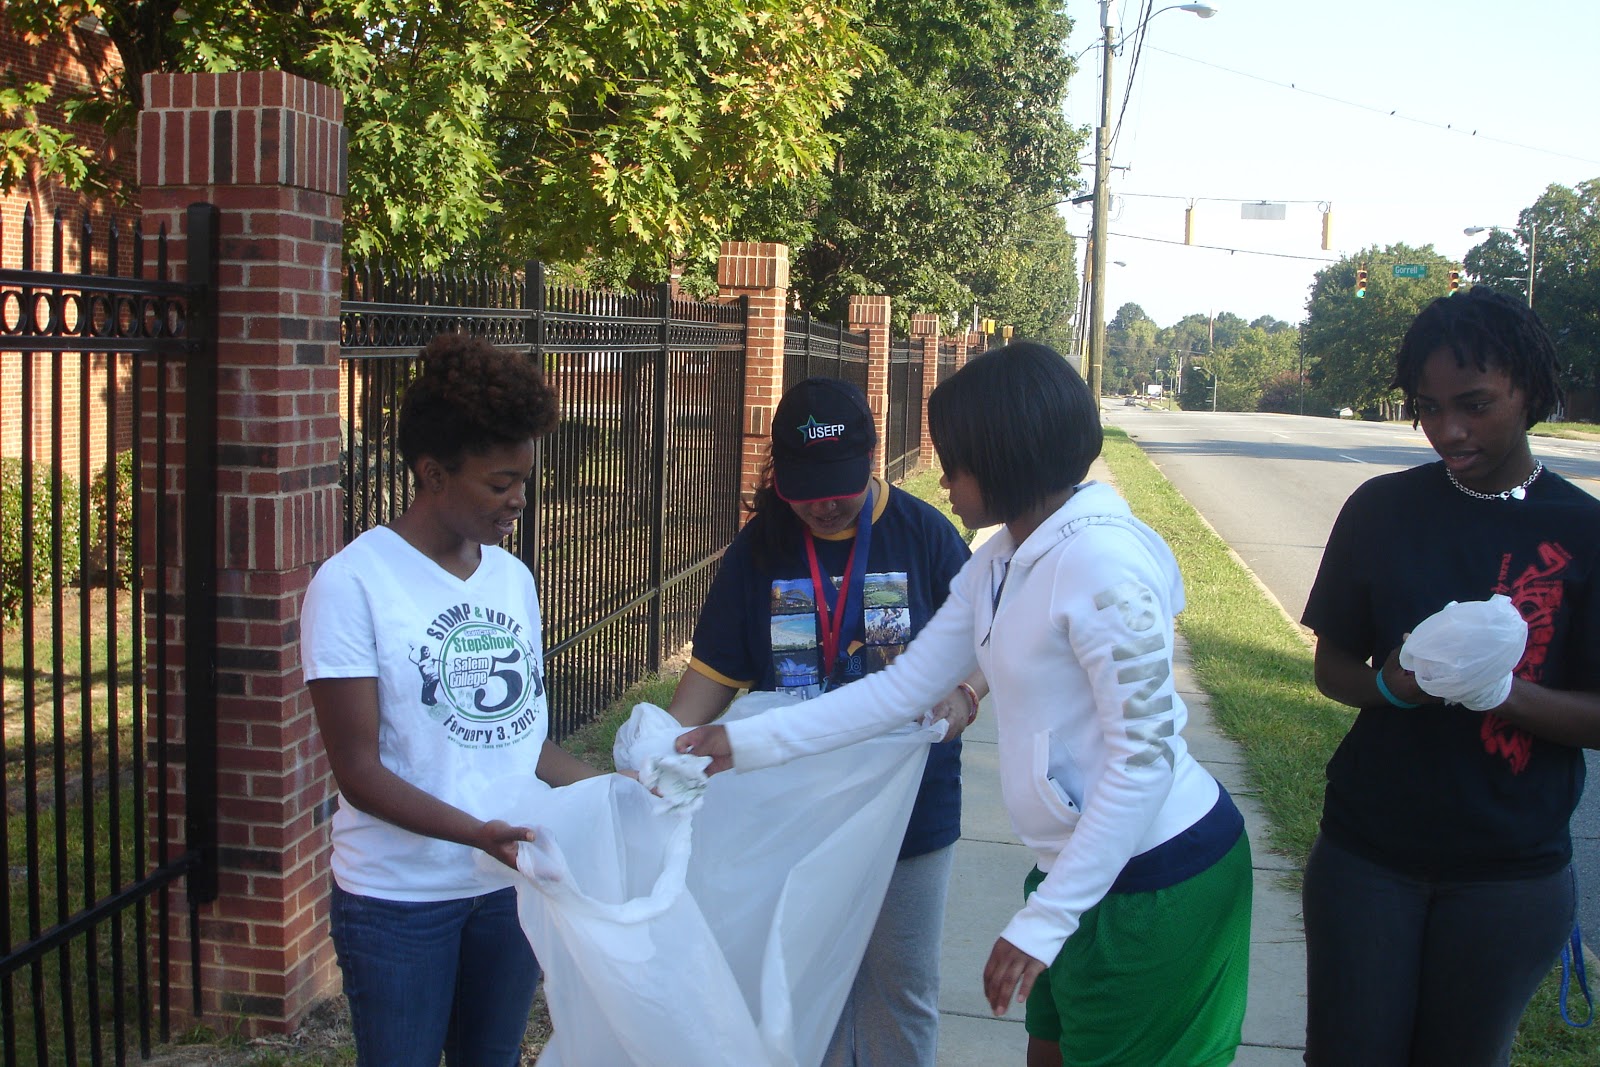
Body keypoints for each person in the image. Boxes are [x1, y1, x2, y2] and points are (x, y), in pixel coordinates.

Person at [677, 345, 1251, 1067]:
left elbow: (1146, 760)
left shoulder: (1103, 564)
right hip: (1079, 866)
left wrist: (1044, 921)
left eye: (954, 460)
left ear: (1006, 456)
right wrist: (746, 744)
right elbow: (902, 687)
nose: (940, 476)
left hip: (1159, 877)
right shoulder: (1000, 559)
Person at [1299, 287, 1600, 1066]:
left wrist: (1503, 693)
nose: (1448, 431)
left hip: (1509, 872)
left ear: (1529, 391)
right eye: (1427, 407)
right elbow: (1334, 666)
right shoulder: (1382, 509)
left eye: (1474, 405)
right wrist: (1394, 686)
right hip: (1369, 855)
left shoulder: (1583, 531)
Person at [301, 333, 614, 1067]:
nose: (518, 500)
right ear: (433, 473)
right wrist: (478, 832)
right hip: (399, 900)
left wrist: (617, 791)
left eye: (524, 480)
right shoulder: (353, 584)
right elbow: (360, 772)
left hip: (508, 885)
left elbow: (522, 741)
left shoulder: (512, 579)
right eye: (499, 483)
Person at [666, 375, 980, 1067]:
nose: (825, 505)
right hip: (795, 814)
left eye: (840, 484)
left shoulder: (924, 536)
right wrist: (660, 748)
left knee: (901, 988)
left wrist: (965, 694)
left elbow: (994, 644)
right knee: (808, 986)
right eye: (806, 490)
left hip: (910, 814)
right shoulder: (758, 549)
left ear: (873, 457)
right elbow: (709, 678)